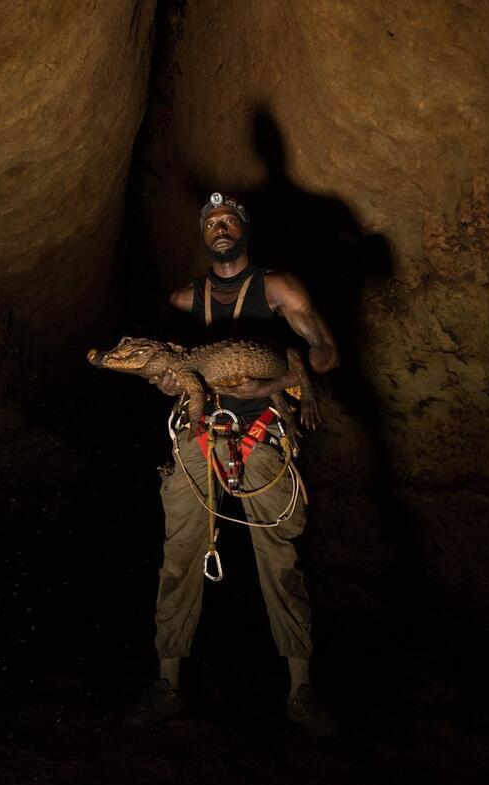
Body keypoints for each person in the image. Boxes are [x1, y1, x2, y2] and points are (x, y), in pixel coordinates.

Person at [126, 192, 340, 736]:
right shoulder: (182, 301)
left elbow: (325, 353)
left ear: (245, 227)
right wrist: (163, 380)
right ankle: (168, 684)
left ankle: (301, 689)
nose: (219, 227)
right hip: (198, 435)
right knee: (178, 554)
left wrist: (278, 381)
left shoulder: (278, 288)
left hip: (260, 432)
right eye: (211, 222)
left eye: (229, 220)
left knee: (281, 559)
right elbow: (166, 369)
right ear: (204, 235)